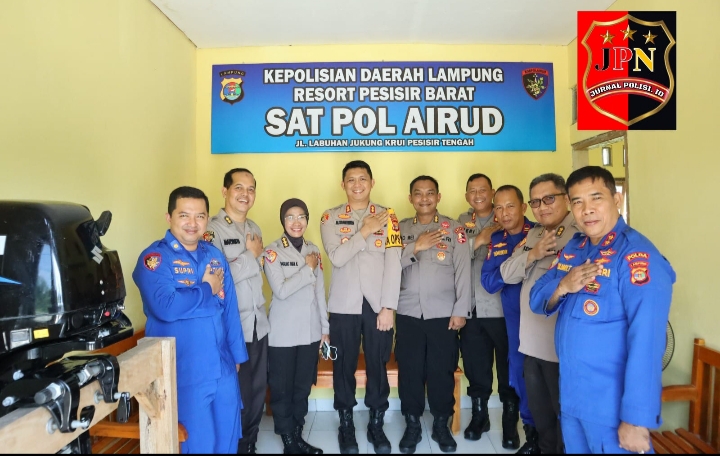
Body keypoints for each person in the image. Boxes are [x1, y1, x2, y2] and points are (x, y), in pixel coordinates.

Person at [530, 166, 675, 454]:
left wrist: (636, 419)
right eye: (578, 202)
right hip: (573, 397)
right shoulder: (576, 248)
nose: (587, 210)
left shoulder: (636, 256)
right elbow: (537, 297)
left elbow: (647, 342)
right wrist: (564, 285)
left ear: (616, 199)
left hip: (611, 408)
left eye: (596, 198)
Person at [132, 186, 247, 454]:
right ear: (169, 217)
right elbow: (166, 307)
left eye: (200, 216)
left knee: (228, 438)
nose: (192, 223)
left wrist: (237, 356)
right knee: (199, 443)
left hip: (223, 367)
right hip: (186, 371)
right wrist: (206, 289)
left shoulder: (214, 255)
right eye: (184, 215)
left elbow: (229, 308)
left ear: (207, 219)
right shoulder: (155, 259)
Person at [319, 160, 402, 455]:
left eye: (362, 178)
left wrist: (388, 306)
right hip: (344, 305)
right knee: (343, 365)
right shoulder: (329, 217)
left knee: (378, 363)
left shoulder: (389, 216)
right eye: (351, 179)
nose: (357, 184)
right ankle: (346, 424)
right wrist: (365, 231)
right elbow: (337, 257)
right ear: (343, 184)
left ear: (372, 182)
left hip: (378, 305)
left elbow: (394, 263)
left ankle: (376, 423)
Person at [499, 174, 579, 454]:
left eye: (549, 199)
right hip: (530, 343)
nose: (542, 207)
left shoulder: (581, 234)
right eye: (536, 202)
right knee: (541, 414)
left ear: (566, 198)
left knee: (565, 418)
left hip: (559, 347)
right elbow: (506, 273)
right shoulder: (534, 235)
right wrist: (532, 254)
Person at [396, 176, 471, 454]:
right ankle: (412, 424)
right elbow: (388, 267)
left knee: (441, 370)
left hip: (444, 314)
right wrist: (415, 247)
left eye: (430, 193)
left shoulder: (454, 229)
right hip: (408, 312)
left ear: (438, 197)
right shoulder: (400, 229)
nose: (424, 198)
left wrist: (461, 310)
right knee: (410, 370)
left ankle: (441, 423)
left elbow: (463, 271)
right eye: (418, 193)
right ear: (410, 198)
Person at [205, 168, 267, 455]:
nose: (245, 194)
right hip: (231, 326)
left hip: (258, 323)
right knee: (236, 392)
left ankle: (249, 443)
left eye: (251, 189)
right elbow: (218, 279)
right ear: (225, 191)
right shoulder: (212, 230)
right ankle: (236, 446)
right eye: (239, 188)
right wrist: (250, 255)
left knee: (257, 390)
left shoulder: (255, 228)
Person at [457, 174, 518, 446]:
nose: (478, 194)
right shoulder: (460, 223)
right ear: (466, 195)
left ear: (492, 192)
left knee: (508, 367)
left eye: (483, 189)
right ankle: (480, 417)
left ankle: (510, 423)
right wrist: (478, 240)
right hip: (472, 310)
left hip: (504, 310)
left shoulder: (506, 218)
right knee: (476, 366)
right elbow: (454, 259)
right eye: (473, 190)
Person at [264, 198, 328, 455]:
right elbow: (280, 291)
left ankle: (298, 434)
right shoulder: (272, 252)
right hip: (283, 333)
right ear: (283, 221)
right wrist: (307, 269)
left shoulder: (313, 250)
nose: (296, 222)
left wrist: (325, 329)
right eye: (290, 217)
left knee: (302, 387)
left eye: (301, 216)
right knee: (282, 389)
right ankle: (288, 440)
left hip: (310, 331)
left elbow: (320, 292)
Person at [480, 185, 538, 453]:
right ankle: (532, 435)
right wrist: (517, 265)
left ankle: (552, 437)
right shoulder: (497, 239)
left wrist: (507, 270)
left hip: (542, 319)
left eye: (510, 206)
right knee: (520, 375)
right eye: (499, 207)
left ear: (523, 207)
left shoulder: (541, 233)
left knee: (546, 377)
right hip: (514, 322)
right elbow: (489, 283)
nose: (504, 213)